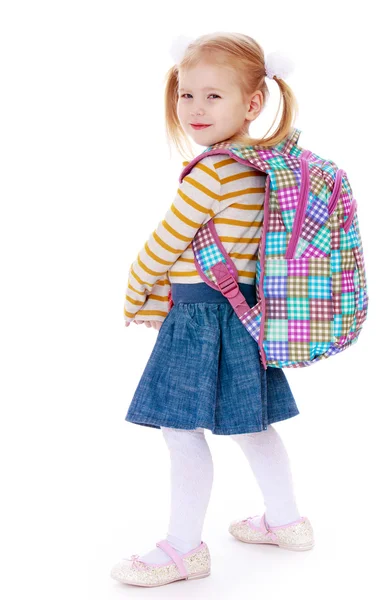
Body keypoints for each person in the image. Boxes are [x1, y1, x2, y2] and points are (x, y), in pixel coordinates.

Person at [111, 32, 314, 588]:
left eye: (213, 97)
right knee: (253, 425)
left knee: (180, 431)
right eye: (186, 94)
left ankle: (182, 549)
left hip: (200, 319)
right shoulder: (259, 165)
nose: (195, 109)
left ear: (252, 103)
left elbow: (162, 245)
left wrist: (135, 295)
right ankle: (286, 520)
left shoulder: (212, 172)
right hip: (245, 315)